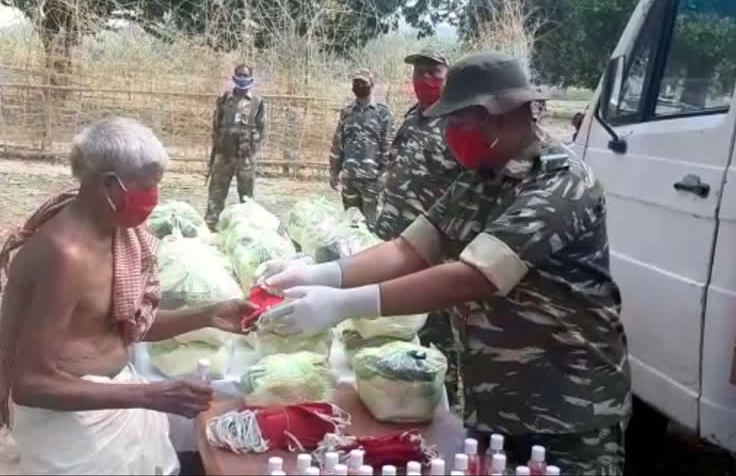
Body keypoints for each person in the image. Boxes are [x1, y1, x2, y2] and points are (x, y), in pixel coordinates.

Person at [257, 53, 632, 475]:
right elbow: (411, 248)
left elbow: (476, 276)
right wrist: (322, 274)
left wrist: (344, 304)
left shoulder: (561, 181)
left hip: (566, 409)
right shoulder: (480, 176)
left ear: (500, 116)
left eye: (460, 121)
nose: (450, 132)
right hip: (492, 402)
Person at [0, 117, 255, 475]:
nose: (154, 197)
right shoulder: (64, 256)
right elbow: (30, 385)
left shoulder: (116, 235)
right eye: (149, 186)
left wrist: (209, 314)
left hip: (115, 405)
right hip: (72, 432)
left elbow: (123, 325)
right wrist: (150, 396)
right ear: (110, 186)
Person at [374, 46, 464, 413]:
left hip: (433, 246)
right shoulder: (413, 118)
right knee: (400, 325)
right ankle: (403, 398)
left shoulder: (458, 123)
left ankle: (446, 404)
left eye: (432, 73)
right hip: (395, 239)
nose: (423, 80)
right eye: (417, 73)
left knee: (437, 331)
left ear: (448, 77)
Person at [329, 69, 393, 227]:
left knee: (371, 225)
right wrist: (334, 172)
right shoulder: (346, 113)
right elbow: (338, 143)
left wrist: (384, 175)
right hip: (349, 179)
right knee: (351, 225)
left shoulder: (382, 113)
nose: (358, 85)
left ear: (372, 85)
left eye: (362, 82)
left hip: (371, 181)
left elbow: (388, 146)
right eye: (355, 82)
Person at [205, 64, 266, 230]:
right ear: (234, 78)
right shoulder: (224, 100)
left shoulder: (257, 102)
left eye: (246, 75)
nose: (242, 78)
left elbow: (261, 129)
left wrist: (250, 148)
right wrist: (218, 150)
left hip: (245, 158)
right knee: (216, 193)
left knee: (246, 196)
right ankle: (211, 226)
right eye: (239, 75)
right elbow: (216, 127)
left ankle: (245, 229)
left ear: (251, 79)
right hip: (223, 156)